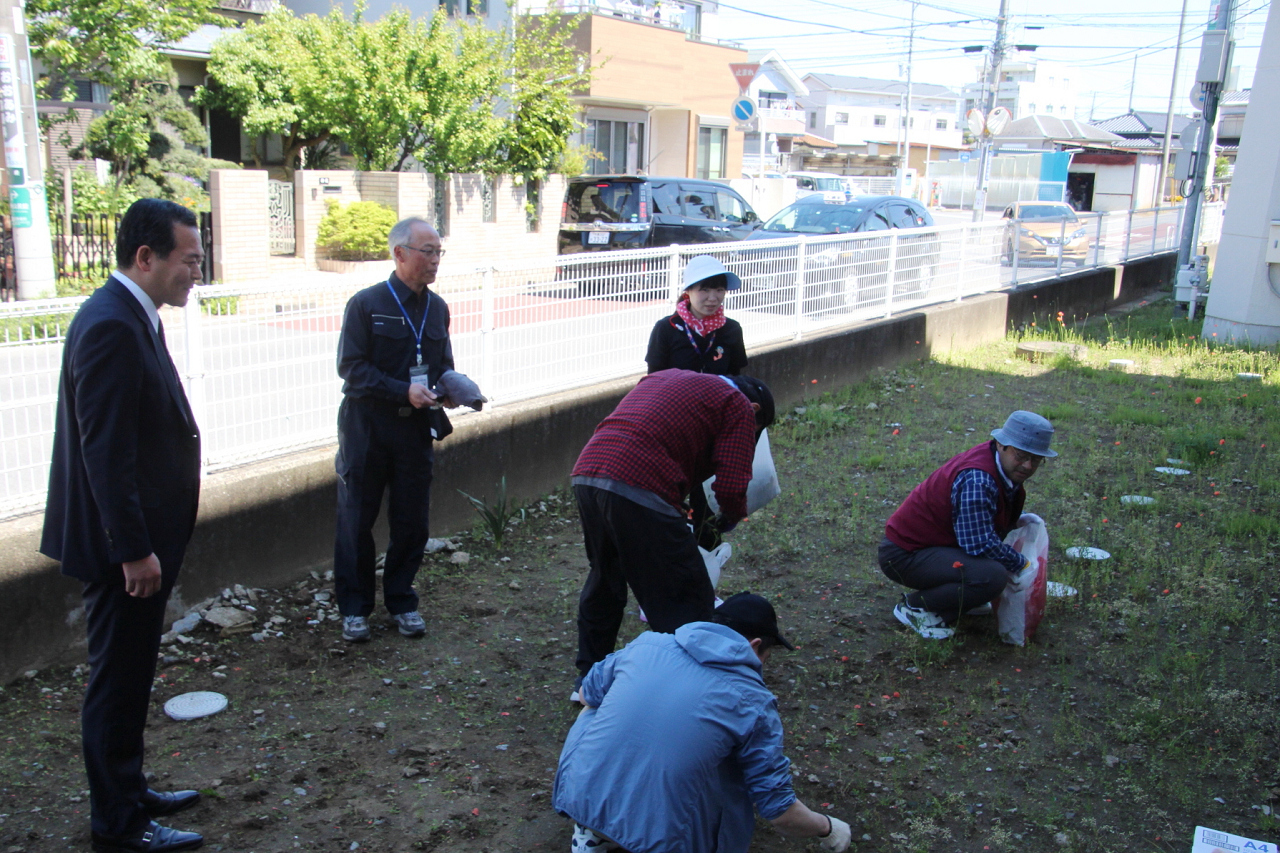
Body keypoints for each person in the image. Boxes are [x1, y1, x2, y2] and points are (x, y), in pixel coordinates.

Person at [41, 199, 205, 853]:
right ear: (146, 257)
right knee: (116, 679)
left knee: (132, 672)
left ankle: (130, 790)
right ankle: (117, 821)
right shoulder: (111, 323)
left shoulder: (132, 315)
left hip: (135, 542)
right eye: (189, 259)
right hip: (121, 551)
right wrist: (134, 549)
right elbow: (104, 452)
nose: (197, 272)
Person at [554, 593, 852, 853]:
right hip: (662, 841)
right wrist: (828, 828)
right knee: (730, 769)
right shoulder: (753, 702)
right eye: (768, 656)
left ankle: (593, 830)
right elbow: (779, 810)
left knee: (595, 707)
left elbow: (585, 693)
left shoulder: (648, 644)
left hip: (579, 799)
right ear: (755, 645)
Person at [569, 368, 774, 699]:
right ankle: (691, 686)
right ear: (755, 412)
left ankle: (589, 680)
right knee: (686, 591)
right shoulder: (737, 405)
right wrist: (731, 517)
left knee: (606, 578)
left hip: (588, 473)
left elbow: (666, 438)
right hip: (639, 484)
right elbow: (733, 483)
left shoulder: (666, 380)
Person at [334, 217, 455, 643]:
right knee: (356, 520)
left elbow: (441, 366)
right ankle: (355, 608)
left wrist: (451, 388)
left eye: (439, 252)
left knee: (412, 520)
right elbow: (351, 369)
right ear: (400, 253)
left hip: (415, 430)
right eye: (428, 251)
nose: (435, 260)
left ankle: (402, 599)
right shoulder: (367, 304)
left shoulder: (438, 308)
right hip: (367, 427)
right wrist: (403, 391)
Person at [878, 411, 1057, 640]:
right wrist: (1022, 564)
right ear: (1002, 444)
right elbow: (978, 543)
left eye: (1036, 460)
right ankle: (917, 607)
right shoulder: (978, 478)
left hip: (930, 547)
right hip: (903, 555)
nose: (1027, 465)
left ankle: (962, 599)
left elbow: (981, 519)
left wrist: (1014, 521)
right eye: (1021, 456)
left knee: (991, 570)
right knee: (992, 576)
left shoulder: (996, 461)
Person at [644, 254, 748, 376]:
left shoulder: (732, 328)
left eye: (719, 290)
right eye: (705, 290)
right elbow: (654, 378)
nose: (713, 298)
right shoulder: (666, 328)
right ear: (688, 291)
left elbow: (735, 377)